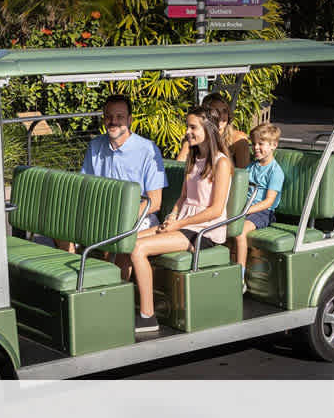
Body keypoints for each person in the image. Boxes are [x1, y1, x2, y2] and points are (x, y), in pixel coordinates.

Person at [129, 106, 233, 333]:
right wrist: (172, 216)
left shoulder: (221, 163)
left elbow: (215, 210)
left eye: (193, 127)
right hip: (184, 224)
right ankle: (134, 303)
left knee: (137, 248)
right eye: (188, 126)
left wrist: (180, 224)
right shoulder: (194, 158)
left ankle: (147, 316)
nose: (187, 131)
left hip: (204, 231)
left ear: (208, 128)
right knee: (129, 240)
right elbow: (183, 197)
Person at [71, 95, 167, 272]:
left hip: (138, 216)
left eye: (120, 117)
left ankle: (116, 289)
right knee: (64, 228)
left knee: (120, 237)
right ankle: (74, 280)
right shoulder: (95, 146)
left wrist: (119, 218)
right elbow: (84, 187)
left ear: (129, 120)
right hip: (102, 213)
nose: (113, 121)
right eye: (109, 116)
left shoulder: (147, 150)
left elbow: (155, 201)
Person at [234, 123, 284, 276]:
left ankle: (239, 274)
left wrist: (246, 210)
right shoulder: (252, 166)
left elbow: (269, 201)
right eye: (254, 144)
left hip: (263, 212)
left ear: (273, 145)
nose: (255, 147)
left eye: (260, 144)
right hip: (246, 208)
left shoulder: (275, 172)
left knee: (239, 231)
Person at [176, 92, 250, 168]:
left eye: (224, 111)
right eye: (216, 111)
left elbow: (243, 174)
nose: (221, 116)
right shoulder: (196, 138)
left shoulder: (238, 139)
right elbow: (178, 167)